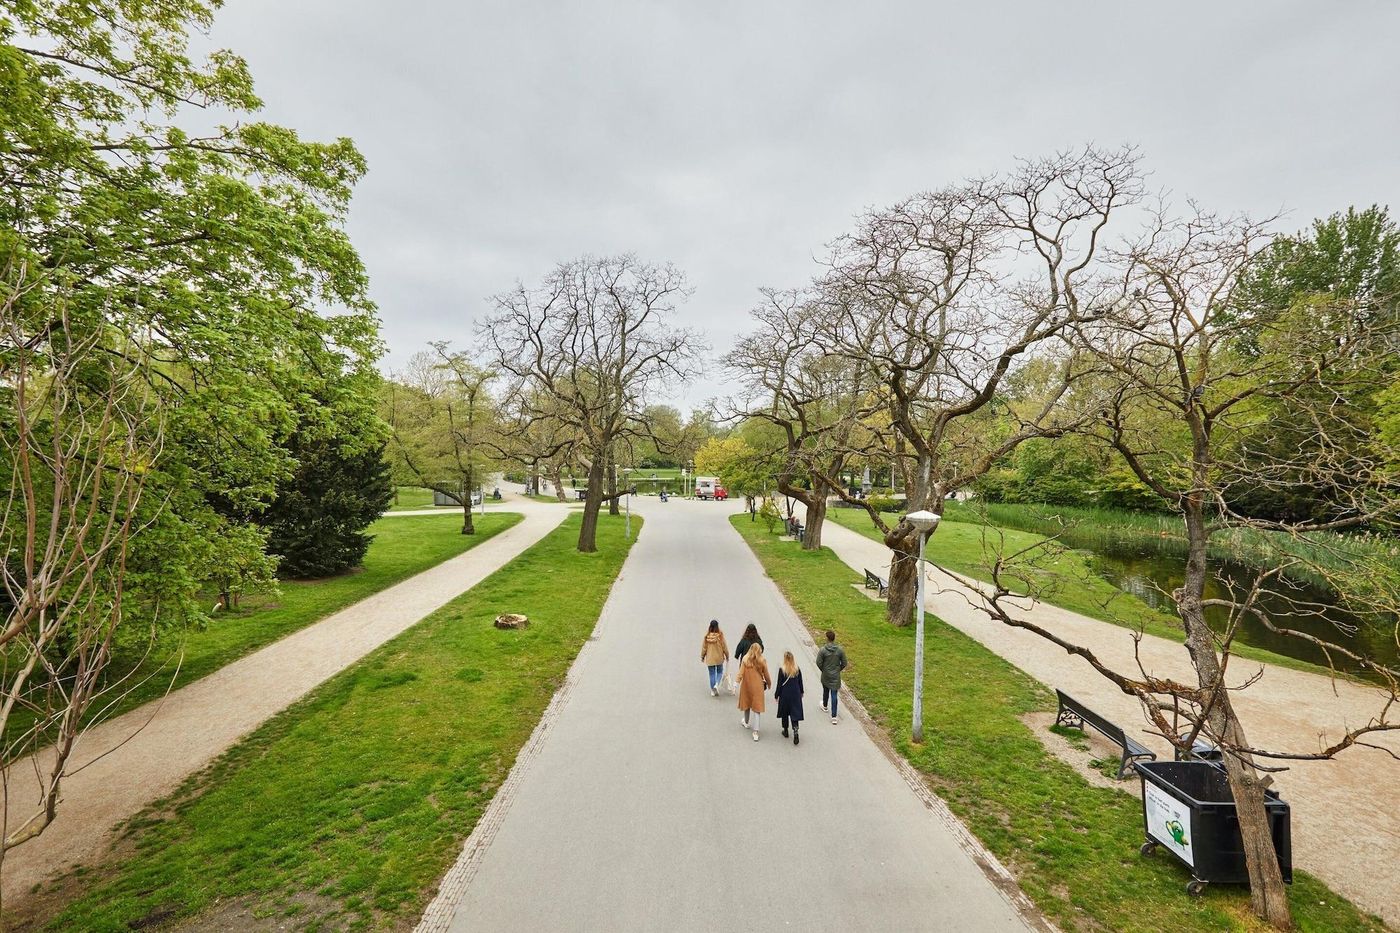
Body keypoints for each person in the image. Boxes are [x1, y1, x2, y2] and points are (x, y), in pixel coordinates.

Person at [736, 643, 771, 741]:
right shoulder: (762, 660)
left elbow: (741, 672)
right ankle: (755, 732)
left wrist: (736, 682)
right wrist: (769, 683)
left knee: (747, 705)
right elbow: (766, 674)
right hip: (758, 686)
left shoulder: (745, 659)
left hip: (747, 685)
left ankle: (746, 722)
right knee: (757, 709)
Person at [816, 629, 847, 725]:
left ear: (827, 638)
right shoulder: (840, 650)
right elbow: (844, 663)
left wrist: (824, 670)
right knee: (834, 695)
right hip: (835, 675)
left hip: (826, 674)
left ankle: (825, 706)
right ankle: (834, 717)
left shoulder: (823, 650)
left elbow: (818, 662)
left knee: (825, 690)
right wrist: (838, 669)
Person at [774, 651, 804, 745]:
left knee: (785, 712)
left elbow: (779, 684)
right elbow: (800, 682)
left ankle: (785, 730)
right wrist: (801, 692)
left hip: (785, 694)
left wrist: (776, 695)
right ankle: (795, 730)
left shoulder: (782, 670)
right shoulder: (797, 669)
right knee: (794, 712)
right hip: (795, 694)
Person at [700, 620, 728, 697]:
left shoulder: (707, 636)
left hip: (710, 659)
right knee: (719, 672)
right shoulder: (720, 636)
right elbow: (724, 647)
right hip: (719, 658)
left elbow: (704, 648)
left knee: (711, 674)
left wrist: (702, 656)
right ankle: (716, 684)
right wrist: (727, 655)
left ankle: (712, 690)